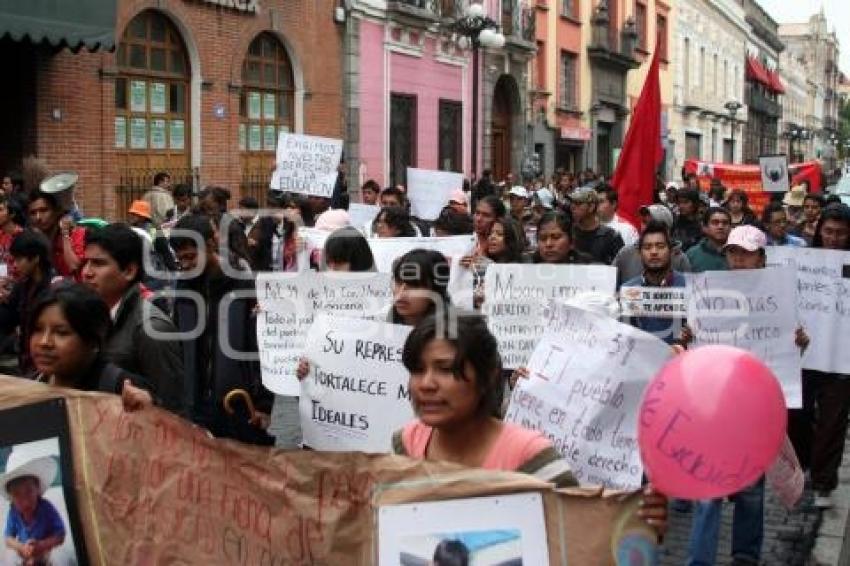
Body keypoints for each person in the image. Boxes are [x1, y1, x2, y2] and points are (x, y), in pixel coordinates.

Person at [392, 313, 667, 531]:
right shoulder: (405, 443)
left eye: (446, 369)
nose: (426, 384)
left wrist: (636, 522)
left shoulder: (530, 456)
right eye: (417, 370)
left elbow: (580, 535)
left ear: (488, 376)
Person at [685, 225, 809, 566]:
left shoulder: (780, 297)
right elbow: (694, 342)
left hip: (756, 410)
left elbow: (793, 351)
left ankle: (745, 555)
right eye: (733, 252)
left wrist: (800, 342)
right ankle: (700, 560)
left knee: (751, 492)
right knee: (707, 491)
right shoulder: (709, 291)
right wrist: (688, 334)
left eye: (746, 252)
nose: (738, 260)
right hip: (715, 408)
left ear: (761, 257)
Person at [170, 213, 273, 445]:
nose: (185, 265)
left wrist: (264, 405)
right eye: (180, 260)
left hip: (238, 406)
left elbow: (263, 347)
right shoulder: (183, 289)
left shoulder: (242, 285)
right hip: (196, 408)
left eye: (190, 256)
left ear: (210, 244)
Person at [82, 224, 186, 417]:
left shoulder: (151, 328)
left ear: (129, 271)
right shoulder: (90, 316)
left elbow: (172, 409)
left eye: (98, 264)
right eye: (86, 263)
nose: (87, 272)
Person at [788, 204, 850, 508]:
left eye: (841, 233)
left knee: (833, 422)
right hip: (805, 354)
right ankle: (808, 464)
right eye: (829, 231)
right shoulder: (803, 263)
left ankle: (824, 482)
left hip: (842, 359)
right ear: (819, 231)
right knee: (796, 415)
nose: (834, 238)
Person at [28, 283, 155, 410]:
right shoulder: (28, 387)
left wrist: (147, 410)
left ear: (93, 340)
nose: (44, 342)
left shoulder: (126, 392)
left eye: (61, 332)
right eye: (37, 330)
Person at [621, 221, 686, 345]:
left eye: (660, 246)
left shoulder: (688, 286)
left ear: (671, 251)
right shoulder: (629, 290)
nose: (654, 252)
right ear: (639, 253)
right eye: (647, 247)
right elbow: (626, 336)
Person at [0, 230, 53, 377]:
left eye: (18, 259)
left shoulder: (55, 287)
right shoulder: (22, 286)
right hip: (26, 362)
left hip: (48, 363)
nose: (15, 265)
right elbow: (7, 320)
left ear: (35, 258)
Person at [2, 457, 65, 565]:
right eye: (17, 494)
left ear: (37, 489)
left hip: (46, 548)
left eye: (29, 491)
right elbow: (8, 538)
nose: (25, 501)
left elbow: (60, 535)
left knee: (58, 559)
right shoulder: (13, 512)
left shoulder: (46, 507)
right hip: (23, 549)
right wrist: (21, 547)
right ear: (11, 497)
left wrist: (42, 545)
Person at [613, 205, 692, 286]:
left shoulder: (681, 259)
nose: (654, 252)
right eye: (644, 222)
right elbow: (610, 286)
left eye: (652, 223)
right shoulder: (625, 254)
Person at [27, 192, 86, 278]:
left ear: (57, 211)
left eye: (44, 210)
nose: (38, 217)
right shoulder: (37, 240)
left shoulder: (77, 233)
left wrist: (65, 234)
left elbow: (74, 266)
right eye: (33, 213)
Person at [568, 186, 624, 264]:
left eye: (578, 203)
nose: (572, 207)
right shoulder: (567, 234)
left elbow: (620, 267)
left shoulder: (611, 237)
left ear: (591, 207)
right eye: (572, 203)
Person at [529, 211, 594, 265]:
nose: (548, 244)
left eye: (556, 237)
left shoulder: (589, 268)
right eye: (543, 238)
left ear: (572, 242)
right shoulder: (526, 266)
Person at [685, 207, 731, 272]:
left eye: (725, 223)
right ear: (704, 227)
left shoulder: (738, 254)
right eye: (715, 222)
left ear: (730, 228)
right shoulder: (692, 255)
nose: (720, 226)